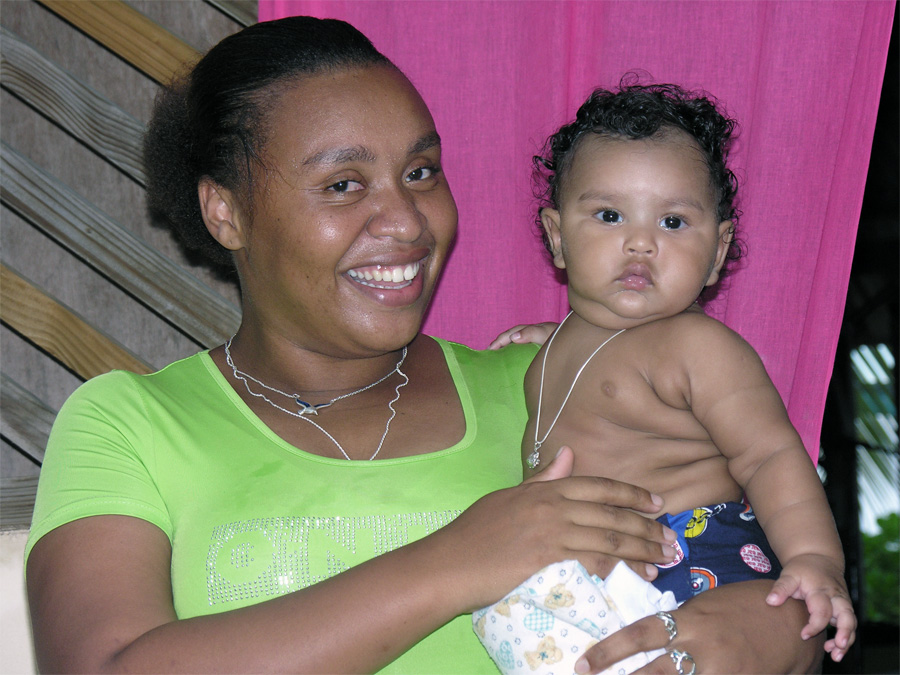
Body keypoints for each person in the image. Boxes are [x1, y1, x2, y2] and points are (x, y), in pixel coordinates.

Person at [25, 17, 822, 674]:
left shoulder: (550, 387)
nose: (406, 220)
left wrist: (768, 633)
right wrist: (455, 561)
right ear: (225, 211)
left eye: (420, 172)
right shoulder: (128, 423)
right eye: (344, 184)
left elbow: (743, 553)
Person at [480, 82, 855, 671]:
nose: (641, 242)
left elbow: (768, 456)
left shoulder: (697, 347)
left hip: (687, 560)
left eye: (674, 222)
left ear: (717, 251)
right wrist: (552, 340)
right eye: (609, 216)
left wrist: (814, 558)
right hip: (584, 574)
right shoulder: (563, 343)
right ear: (557, 237)